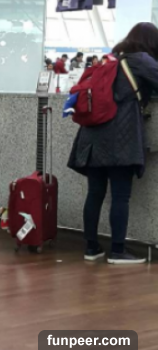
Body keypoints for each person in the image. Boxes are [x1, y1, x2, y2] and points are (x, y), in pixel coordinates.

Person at [68, 22, 158, 265]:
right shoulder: (141, 60)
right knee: (120, 195)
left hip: (92, 136)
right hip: (121, 137)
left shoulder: (111, 60)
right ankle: (118, 251)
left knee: (95, 193)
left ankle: (91, 248)